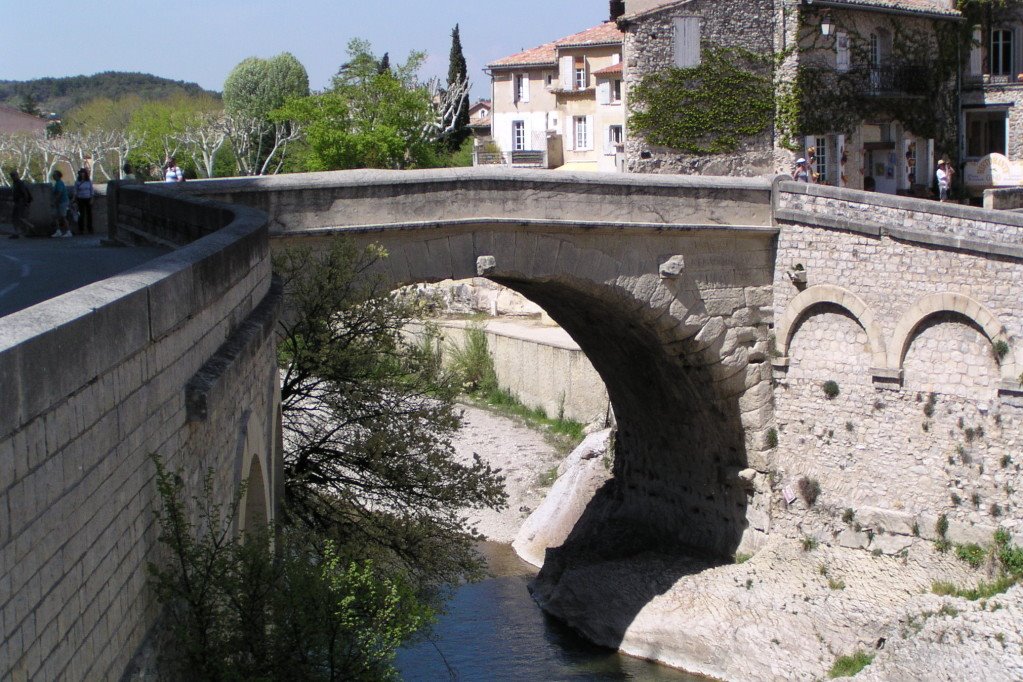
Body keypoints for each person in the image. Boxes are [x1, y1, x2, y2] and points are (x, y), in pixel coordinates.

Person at [9, 170, 33, 239]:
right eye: (12, 176)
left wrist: (25, 203)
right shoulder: (15, 183)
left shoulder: (19, 183)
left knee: (18, 218)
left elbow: (25, 194)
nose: (13, 177)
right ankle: (19, 232)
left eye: (14, 175)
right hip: (18, 202)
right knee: (16, 218)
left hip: (20, 202)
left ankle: (30, 227)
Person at [50, 170, 71, 238]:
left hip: (63, 202)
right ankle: (58, 231)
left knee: (63, 217)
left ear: (58, 176)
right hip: (60, 202)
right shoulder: (57, 183)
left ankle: (68, 231)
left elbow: (59, 193)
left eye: (54, 175)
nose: (53, 176)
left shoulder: (59, 183)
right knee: (56, 217)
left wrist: (55, 201)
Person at [73, 168, 94, 234]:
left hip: (88, 198)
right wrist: (74, 199)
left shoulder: (89, 181)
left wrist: (91, 199)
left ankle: (90, 228)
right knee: (81, 214)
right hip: (80, 199)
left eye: (84, 173)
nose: (82, 174)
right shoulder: (77, 182)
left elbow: (92, 190)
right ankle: (81, 229)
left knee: (89, 214)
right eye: (81, 173)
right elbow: (75, 191)